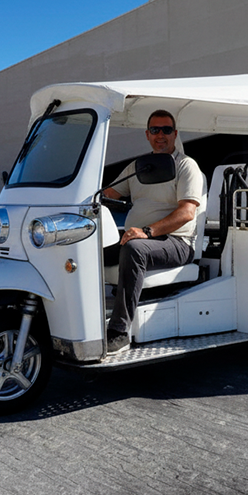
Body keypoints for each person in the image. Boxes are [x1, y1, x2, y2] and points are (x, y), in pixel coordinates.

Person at [103, 109, 205, 353]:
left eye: (166, 130)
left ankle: (119, 331)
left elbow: (187, 212)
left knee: (134, 249)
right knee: (86, 250)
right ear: (147, 134)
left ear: (175, 134)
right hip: (141, 238)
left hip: (178, 242)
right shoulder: (139, 166)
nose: (161, 135)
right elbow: (108, 194)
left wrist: (147, 231)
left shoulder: (185, 165)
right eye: (155, 130)